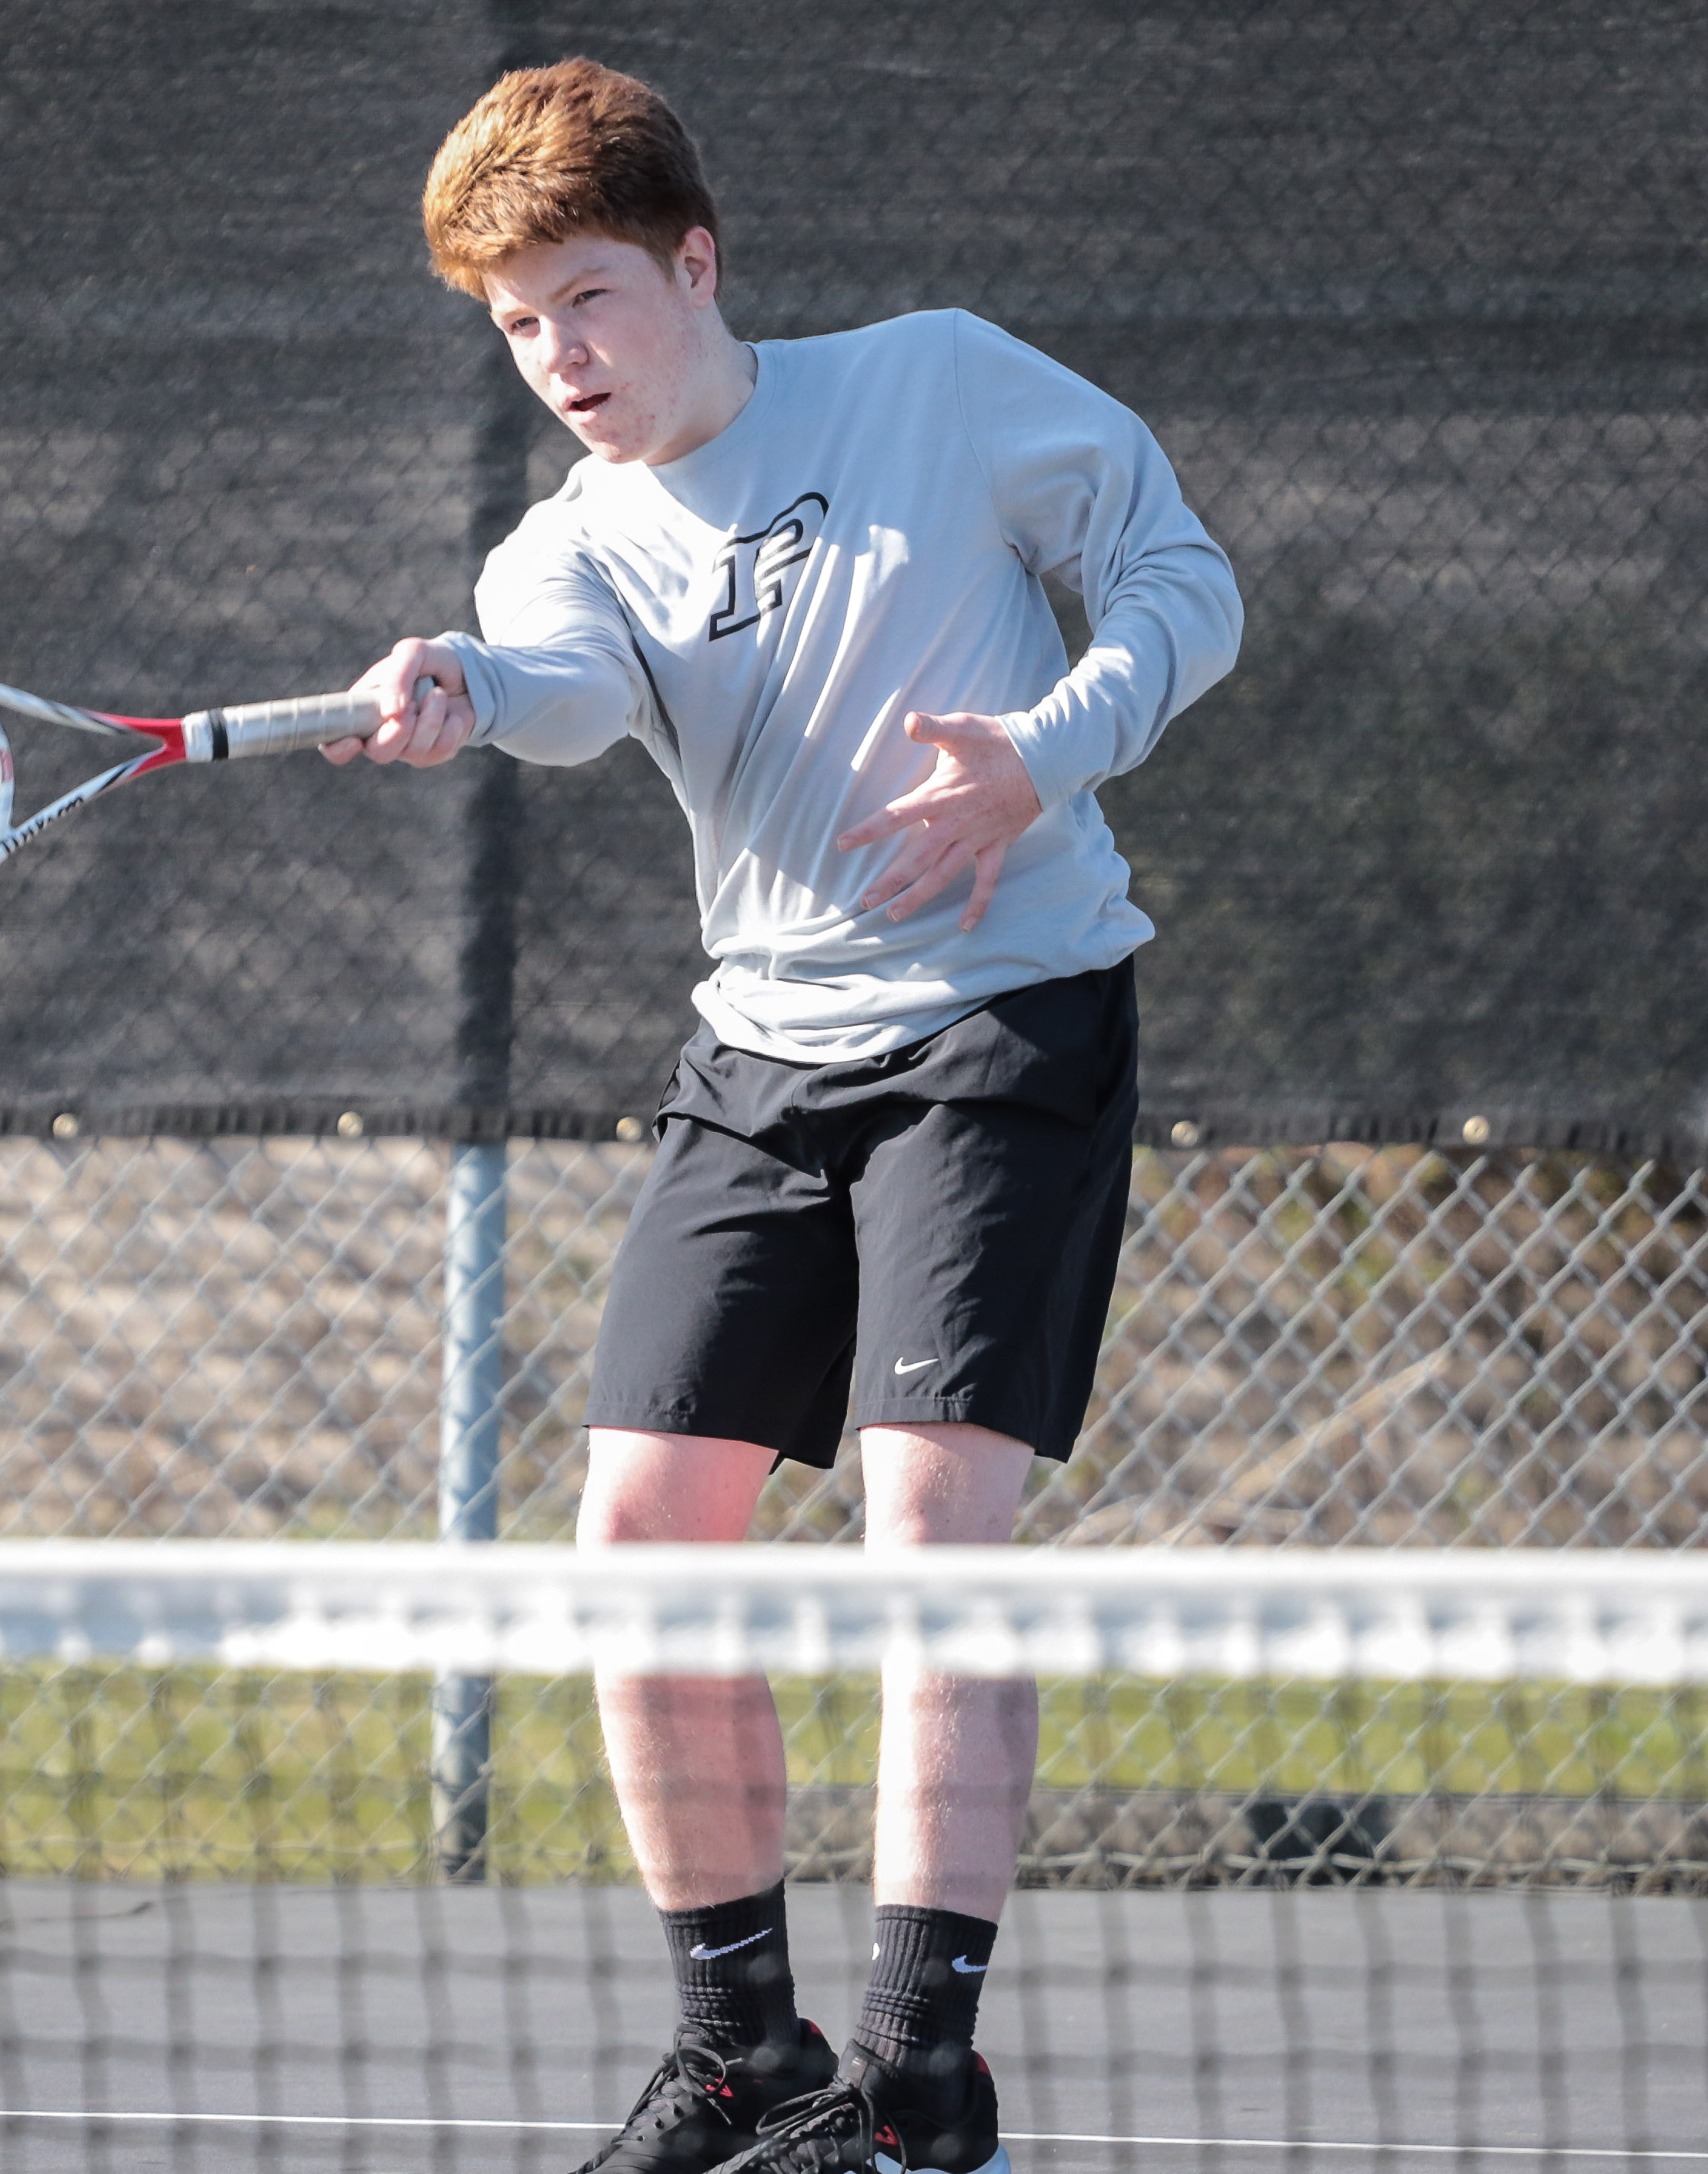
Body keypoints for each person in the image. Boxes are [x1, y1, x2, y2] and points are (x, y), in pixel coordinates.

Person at [333, 59, 1242, 2174]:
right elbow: (561, 692)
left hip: (1003, 1023)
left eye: (587, 297)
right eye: (515, 324)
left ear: (694, 262)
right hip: (758, 1066)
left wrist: (1041, 751)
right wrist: (464, 682)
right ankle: (744, 2054)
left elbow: (1185, 584)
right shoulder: (568, 545)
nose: (560, 354)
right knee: (638, 1546)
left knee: (930, 1542)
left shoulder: (939, 384)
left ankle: (919, 2081)